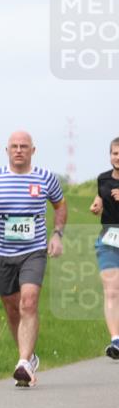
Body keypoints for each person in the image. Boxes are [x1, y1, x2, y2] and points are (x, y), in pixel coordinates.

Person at [0, 131, 67, 386]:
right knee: (12, 307)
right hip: (1, 253)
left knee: (28, 303)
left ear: (32, 150)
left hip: (33, 251)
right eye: (14, 146)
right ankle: (27, 357)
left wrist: (57, 235)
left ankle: (23, 362)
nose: (18, 150)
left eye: (24, 146)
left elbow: (60, 206)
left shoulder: (46, 178)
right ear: (7, 150)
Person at [90, 136, 119, 360]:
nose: (117, 157)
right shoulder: (102, 178)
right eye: (114, 153)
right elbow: (100, 197)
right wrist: (96, 204)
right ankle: (116, 341)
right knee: (111, 289)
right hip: (109, 238)